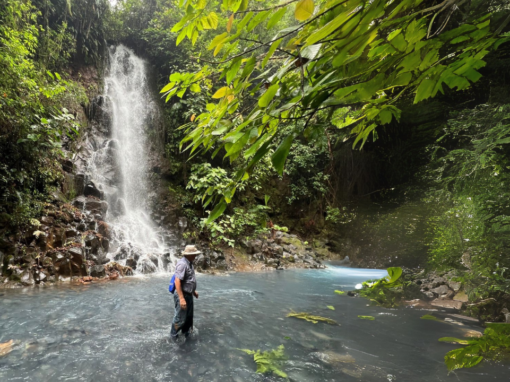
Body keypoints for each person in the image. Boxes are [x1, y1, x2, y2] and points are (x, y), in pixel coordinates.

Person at [171, 245, 200, 340]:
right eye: (194, 254)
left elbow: (187, 279)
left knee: (188, 317)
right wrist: (181, 298)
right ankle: (173, 336)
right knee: (180, 318)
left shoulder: (189, 263)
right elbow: (177, 281)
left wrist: (193, 291)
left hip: (188, 294)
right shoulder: (182, 264)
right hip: (182, 295)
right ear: (189, 255)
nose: (195, 256)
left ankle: (186, 334)